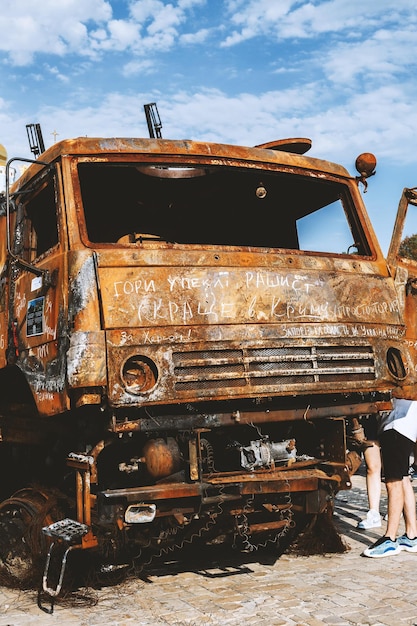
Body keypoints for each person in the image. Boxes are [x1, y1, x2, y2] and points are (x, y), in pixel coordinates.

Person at [363, 397, 417, 558]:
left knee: (393, 481)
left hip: (397, 424)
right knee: (403, 477)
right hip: (404, 423)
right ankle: (411, 535)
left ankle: (390, 539)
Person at [349, 416, 382, 529]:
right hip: (369, 417)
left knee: (392, 469)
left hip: (391, 418)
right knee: (372, 467)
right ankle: (374, 513)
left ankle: (396, 508)